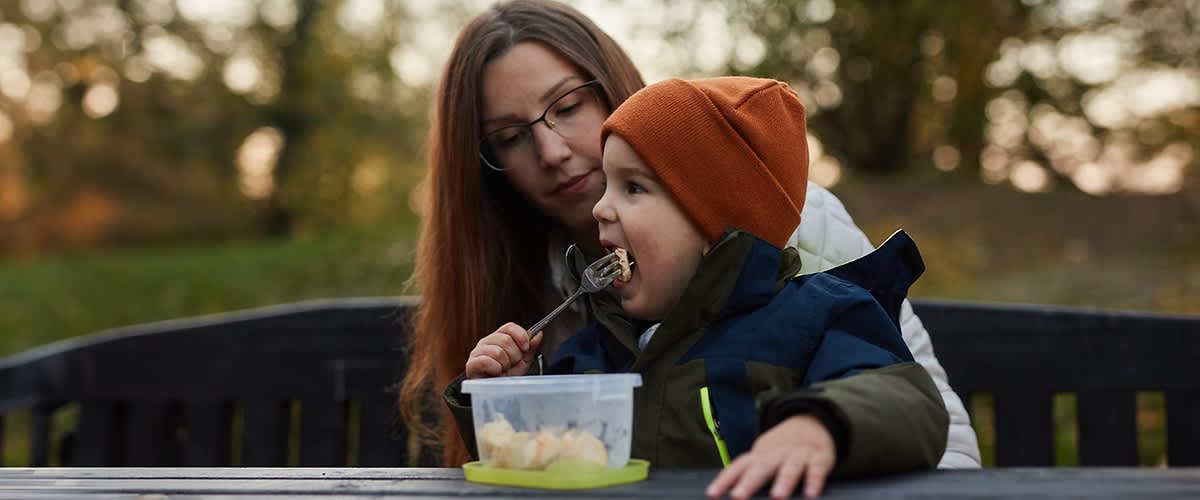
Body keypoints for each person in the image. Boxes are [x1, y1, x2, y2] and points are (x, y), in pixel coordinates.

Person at [399, 0, 979, 469]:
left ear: (713, 217)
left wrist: (820, 424)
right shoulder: (603, 339)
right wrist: (505, 399)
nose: (552, 151)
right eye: (510, 137)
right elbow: (547, 453)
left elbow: (914, 408)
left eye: (569, 106)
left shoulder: (812, 307)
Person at [452, 76, 949, 499]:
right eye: (606, 185)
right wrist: (502, 401)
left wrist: (817, 425)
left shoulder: (817, 318)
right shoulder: (597, 354)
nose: (601, 209)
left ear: (716, 229)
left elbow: (907, 399)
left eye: (633, 187)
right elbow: (540, 462)